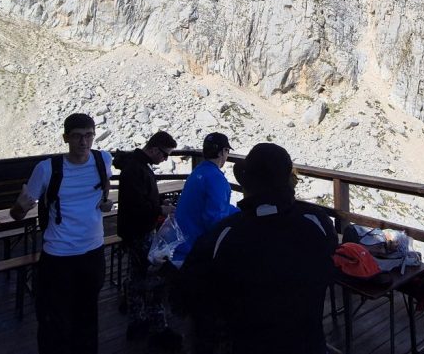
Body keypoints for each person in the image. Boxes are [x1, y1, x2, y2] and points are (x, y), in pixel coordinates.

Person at [180, 142, 338, 354]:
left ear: (247, 186)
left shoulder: (224, 235)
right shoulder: (319, 224)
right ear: (288, 182)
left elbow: (189, 293)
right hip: (308, 345)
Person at [11, 113, 113, 354]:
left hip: (93, 252)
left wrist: (105, 202)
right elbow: (17, 214)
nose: (84, 142)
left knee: (87, 316)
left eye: (89, 135)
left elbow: (105, 185)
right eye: (77, 136)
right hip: (59, 256)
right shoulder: (47, 169)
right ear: (66, 138)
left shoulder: (103, 160)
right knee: (54, 320)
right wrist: (20, 207)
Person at [113, 130, 182, 349]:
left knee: (136, 278)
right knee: (154, 279)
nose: (165, 159)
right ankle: (158, 329)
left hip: (132, 231)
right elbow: (138, 207)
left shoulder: (133, 166)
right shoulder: (137, 170)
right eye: (165, 154)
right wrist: (161, 208)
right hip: (140, 231)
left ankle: (137, 322)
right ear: (153, 149)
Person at [170, 132, 238, 266]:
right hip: (193, 252)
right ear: (222, 152)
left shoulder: (198, 171)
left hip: (180, 244)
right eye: (227, 151)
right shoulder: (216, 179)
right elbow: (215, 220)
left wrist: (236, 212)